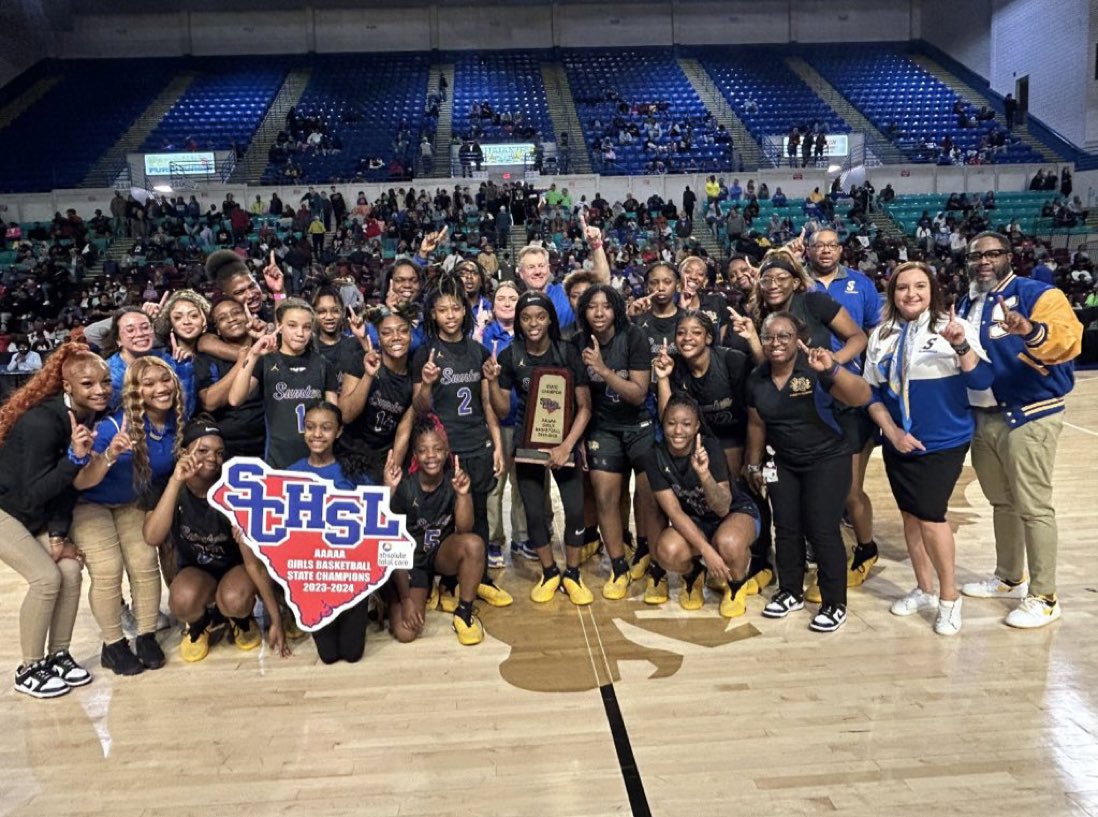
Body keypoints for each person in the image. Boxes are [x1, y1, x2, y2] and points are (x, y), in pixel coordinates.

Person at [957, 232, 1084, 628]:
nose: (983, 261)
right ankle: (1010, 576)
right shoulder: (968, 301)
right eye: (976, 255)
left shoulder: (1039, 294)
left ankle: (1045, 597)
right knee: (1002, 501)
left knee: (1033, 506)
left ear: (1009, 257)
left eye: (992, 254)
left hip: (1030, 411)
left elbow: (1069, 340)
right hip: (985, 415)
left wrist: (1029, 330)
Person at [864, 262, 993, 635]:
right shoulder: (881, 334)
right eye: (903, 287)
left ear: (932, 290)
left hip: (944, 441)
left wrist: (960, 345)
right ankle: (924, 589)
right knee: (909, 515)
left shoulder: (953, 327)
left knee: (932, 516)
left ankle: (950, 599)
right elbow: (871, 392)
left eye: (920, 286)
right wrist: (890, 431)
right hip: (898, 441)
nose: (911, 294)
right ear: (892, 293)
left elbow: (983, 378)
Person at [745, 312, 871, 632]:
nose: (776, 343)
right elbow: (757, 422)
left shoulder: (815, 368)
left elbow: (862, 396)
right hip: (783, 461)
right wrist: (753, 463)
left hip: (827, 459)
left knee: (821, 528)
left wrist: (833, 368)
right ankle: (790, 591)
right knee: (786, 527)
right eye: (769, 337)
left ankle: (834, 602)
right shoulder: (757, 378)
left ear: (798, 339)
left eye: (784, 336)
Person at [0, 344, 108, 697]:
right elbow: (32, 493)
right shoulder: (42, 423)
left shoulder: (84, 416)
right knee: (45, 579)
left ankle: (58, 655)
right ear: (67, 387)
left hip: (33, 516)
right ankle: (28, 668)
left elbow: (67, 491)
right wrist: (75, 459)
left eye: (105, 382)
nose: (100, 390)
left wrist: (59, 535)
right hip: (7, 512)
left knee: (71, 570)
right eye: (88, 384)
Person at [71, 356, 185, 675]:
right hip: (90, 503)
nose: (160, 388)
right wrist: (110, 454)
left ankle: (146, 635)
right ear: (135, 391)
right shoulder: (111, 427)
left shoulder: (177, 421)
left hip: (131, 501)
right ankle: (113, 645)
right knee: (108, 569)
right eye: (148, 384)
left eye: (165, 380)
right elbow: (81, 481)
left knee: (145, 562)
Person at [143, 419, 289, 662]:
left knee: (234, 599)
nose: (212, 458)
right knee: (181, 600)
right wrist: (176, 480)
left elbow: (255, 565)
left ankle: (240, 619)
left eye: (219, 452)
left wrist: (275, 620)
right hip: (197, 572)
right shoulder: (167, 486)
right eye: (202, 451)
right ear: (183, 453)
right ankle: (200, 624)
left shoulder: (233, 491)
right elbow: (153, 537)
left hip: (236, 570)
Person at [412, 273, 512, 609]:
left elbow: (489, 406)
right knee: (446, 516)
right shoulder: (425, 353)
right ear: (433, 315)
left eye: (456, 308)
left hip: (477, 445)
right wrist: (426, 384)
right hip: (442, 452)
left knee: (479, 514)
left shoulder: (478, 351)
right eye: (443, 310)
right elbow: (419, 408)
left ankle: (479, 577)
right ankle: (447, 581)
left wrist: (498, 445)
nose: (451, 315)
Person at [492, 291, 593, 605]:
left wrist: (567, 446)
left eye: (540, 316)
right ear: (519, 322)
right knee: (535, 514)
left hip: (566, 444)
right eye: (526, 317)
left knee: (576, 512)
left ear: (550, 318)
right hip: (528, 445)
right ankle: (550, 572)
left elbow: (585, 407)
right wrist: (492, 382)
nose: (533, 323)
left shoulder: (567, 352)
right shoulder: (510, 355)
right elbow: (500, 408)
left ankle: (572, 574)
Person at [805, 229, 882, 590]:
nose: (825, 250)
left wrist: (835, 363)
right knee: (819, 487)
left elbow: (870, 334)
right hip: (810, 398)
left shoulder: (861, 284)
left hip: (848, 394)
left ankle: (866, 550)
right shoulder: (799, 285)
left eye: (832, 244)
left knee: (850, 491)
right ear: (808, 250)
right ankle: (821, 549)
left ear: (840, 248)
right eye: (818, 245)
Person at [574, 284, 661, 599]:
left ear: (616, 310)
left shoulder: (634, 337)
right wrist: (579, 438)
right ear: (584, 311)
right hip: (603, 428)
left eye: (606, 306)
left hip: (639, 424)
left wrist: (602, 369)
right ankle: (619, 566)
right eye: (592, 306)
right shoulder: (577, 342)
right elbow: (581, 400)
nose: (599, 312)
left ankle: (652, 560)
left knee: (651, 496)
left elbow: (638, 393)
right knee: (605, 497)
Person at [642, 394, 760, 616]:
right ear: (663, 424)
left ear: (696, 426)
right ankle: (694, 573)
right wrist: (706, 552)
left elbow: (723, 507)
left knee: (728, 543)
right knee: (667, 550)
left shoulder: (710, 448)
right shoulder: (654, 456)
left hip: (734, 514)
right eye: (671, 423)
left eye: (686, 424)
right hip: (696, 519)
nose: (678, 431)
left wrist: (704, 474)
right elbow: (675, 513)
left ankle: (736, 584)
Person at [382, 414, 487, 646]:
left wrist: (463, 495)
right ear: (415, 455)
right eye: (423, 450)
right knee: (406, 632)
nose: (431, 456)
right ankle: (391, 596)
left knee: (474, 544)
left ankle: (464, 611)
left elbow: (465, 528)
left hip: (439, 554)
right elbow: (391, 545)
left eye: (437, 449)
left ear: (446, 450)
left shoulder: (454, 481)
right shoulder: (405, 488)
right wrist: (406, 599)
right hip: (410, 563)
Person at [287, 402, 372, 663]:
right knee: (329, 656)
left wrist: (389, 487)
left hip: (350, 572)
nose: (317, 434)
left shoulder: (353, 472)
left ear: (338, 432)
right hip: (312, 576)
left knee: (351, 653)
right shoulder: (291, 474)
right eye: (311, 427)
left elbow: (375, 516)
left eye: (326, 428)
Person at [228, 298, 339, 469]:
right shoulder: (265, 362)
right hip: (277, 457)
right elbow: (235, 399)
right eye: (292, 325)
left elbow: (333, 417)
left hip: (317, 458)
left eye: (307, 327)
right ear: (279, 326)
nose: (300, 333)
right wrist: (253, 355)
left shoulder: (324, 365)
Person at [479, 282, 532, 566]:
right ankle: (493, 540)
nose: (508, 302)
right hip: (496, 422)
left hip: (526, 420)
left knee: (525, 483)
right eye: (502, 298)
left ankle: (523, 537)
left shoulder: (529, 334)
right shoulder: (485, 335)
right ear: (493, 304)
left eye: (513, 298)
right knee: (495, 484)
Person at [339, 304, 417, 486]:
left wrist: (391, 473)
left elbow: (403, 433)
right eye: (387, 333)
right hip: (349, 455)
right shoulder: (362, 362)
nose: (396, 337)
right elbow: (346, 415)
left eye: (402, 331)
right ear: (379, 339)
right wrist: (369, 375)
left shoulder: (413, 377)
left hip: (380, 460)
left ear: (411, 336)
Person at [194, 299, 268, 460]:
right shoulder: (207, 359)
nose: (231, 318)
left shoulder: (267, 349)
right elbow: (209, 402)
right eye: (222, 318)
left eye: (236, 312)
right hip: (225, 447)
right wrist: (244, 359)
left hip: (266, 445)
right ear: (217, 330)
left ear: (249, 317)